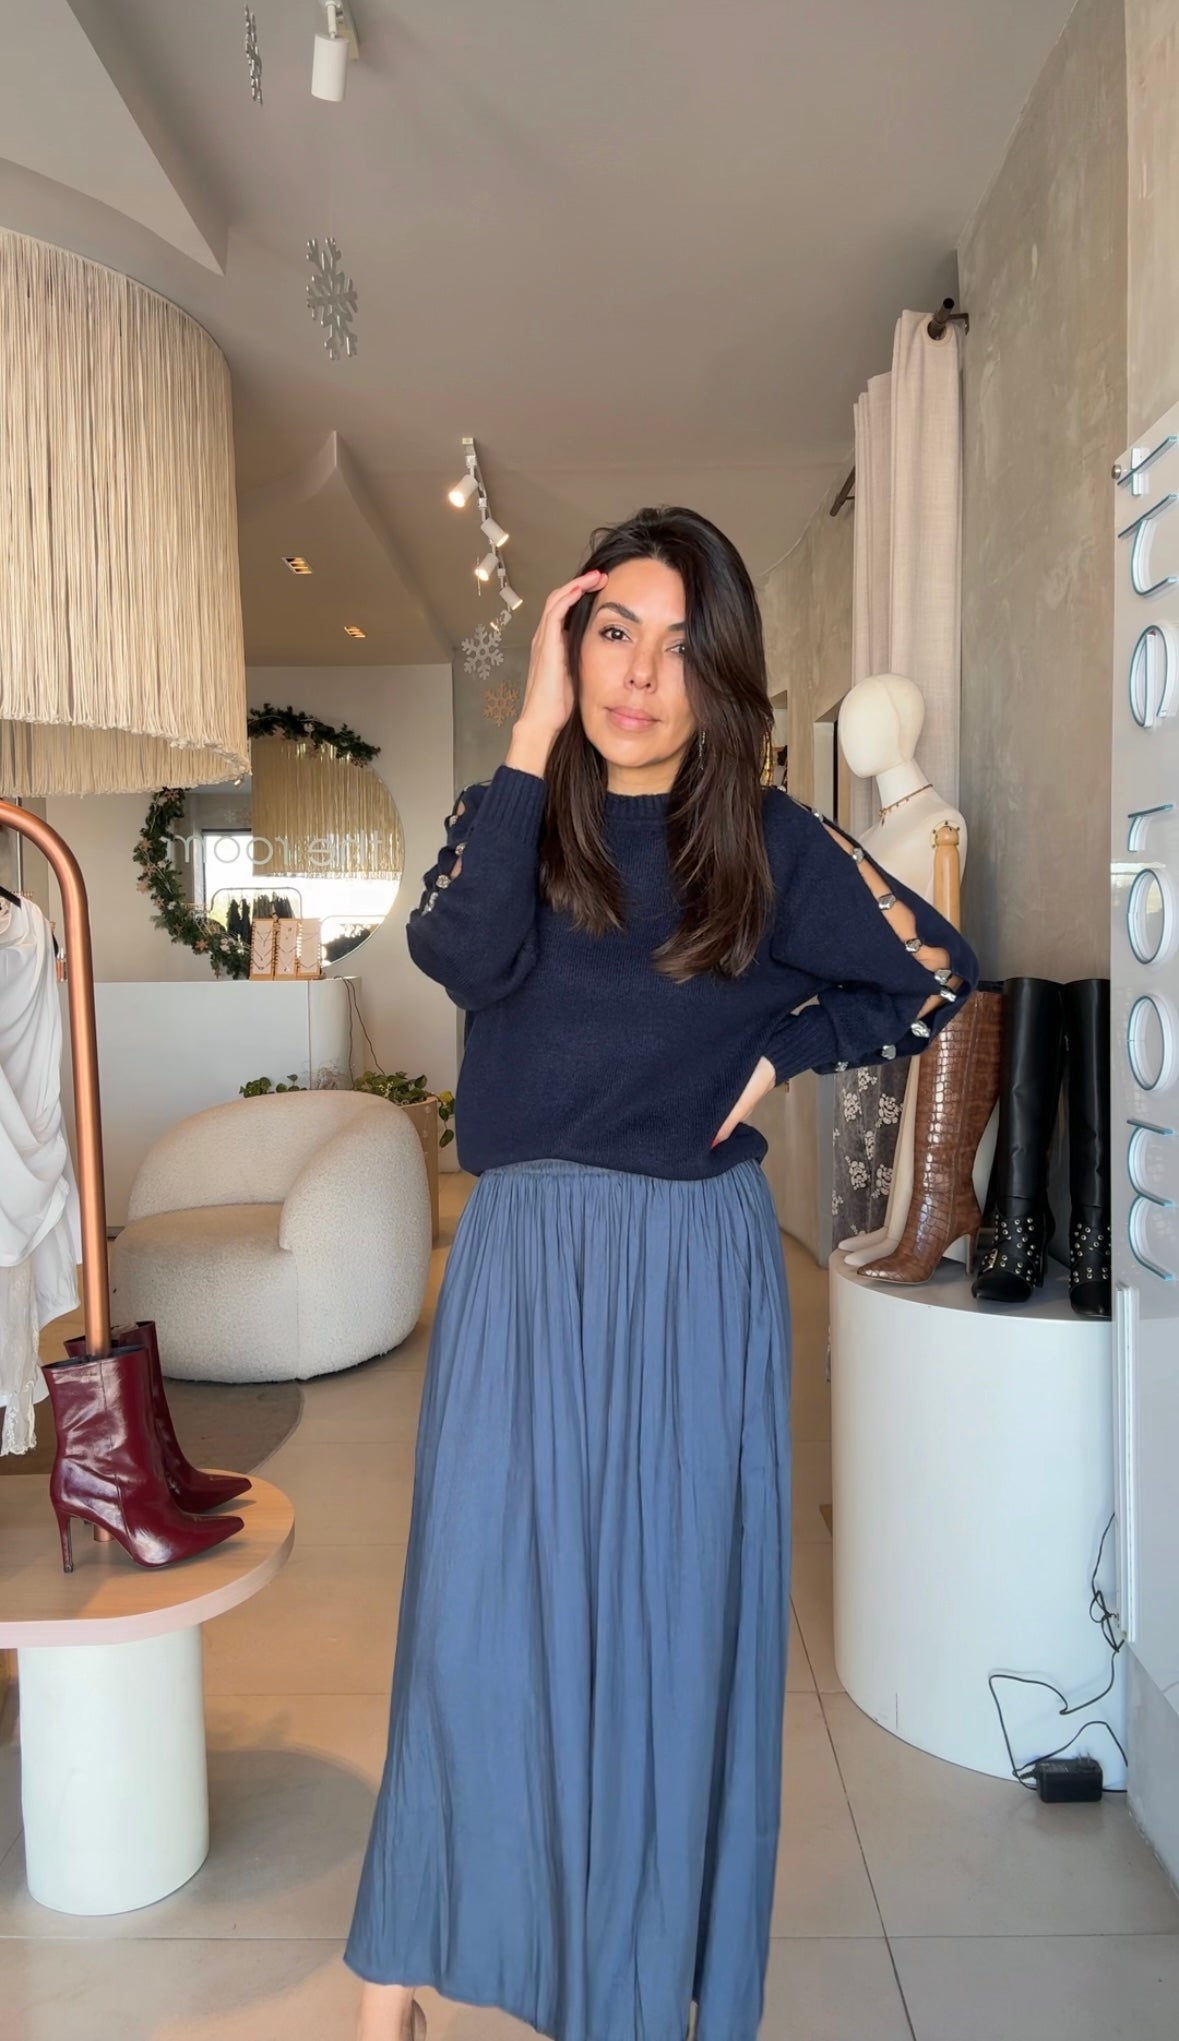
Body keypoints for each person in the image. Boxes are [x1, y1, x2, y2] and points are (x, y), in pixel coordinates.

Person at [346, 507, 978, 2041]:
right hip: (519, 1269)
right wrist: (527, 735)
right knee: (472, 1626)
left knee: (659, 1639)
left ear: (724, 675)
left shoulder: (767, 839)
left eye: (681, 648)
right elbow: (460, 957)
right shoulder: (509, 814)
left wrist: (782, 1051)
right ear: (571, 648)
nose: (640, 675)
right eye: (613, 632)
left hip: (689, 1271)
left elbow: (939, 974)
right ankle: (397, 1971)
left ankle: (635, 1988)